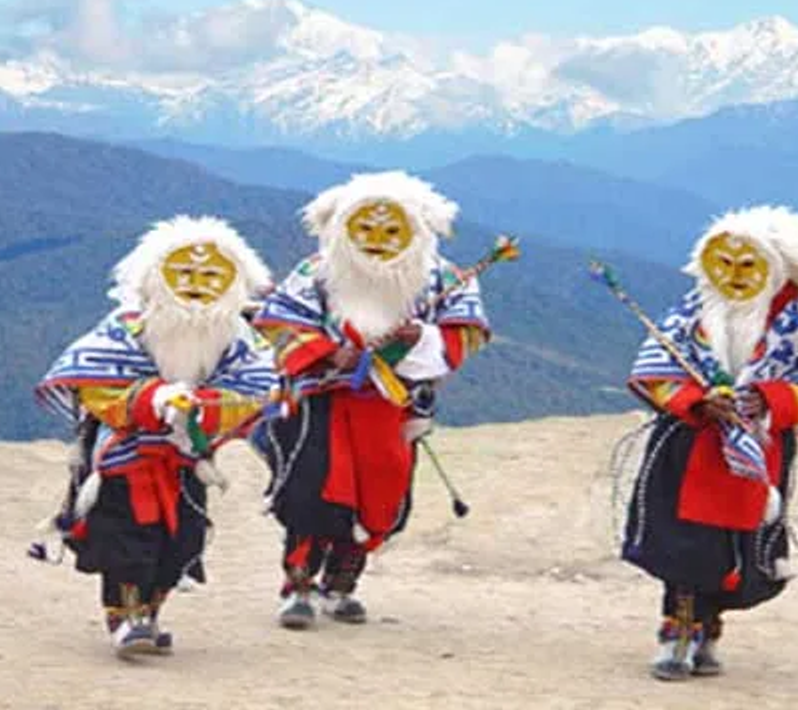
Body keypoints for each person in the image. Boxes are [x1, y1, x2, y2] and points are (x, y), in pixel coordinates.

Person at [251, 170, 491, 630]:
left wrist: (420, 338)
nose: (377, 240)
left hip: (394, 406)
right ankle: (298, 586)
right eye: (364, 228)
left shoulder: (442, 277)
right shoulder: (316, 272)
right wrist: (327, 353)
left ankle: (341, 583)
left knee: (380, 494)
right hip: (320, 401)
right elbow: (278, 323)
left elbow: (468, 331)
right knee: (311, 488)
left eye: (391, 230)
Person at [35, 215, 277, 657]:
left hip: (187, 455)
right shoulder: (125, 327)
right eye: (183, 273)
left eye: (211, 275)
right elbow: (93, 384)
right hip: (125, 452)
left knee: (181, 537)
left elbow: (256, 388)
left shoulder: (236, 338)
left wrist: (203, 407)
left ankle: (149, 613)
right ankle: (126, 618)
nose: (196, 284)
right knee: (126, 534)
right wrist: (154, 400)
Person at [621, 205, 798, 681]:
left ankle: (708, 626)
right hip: (688, 441)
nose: (734, 276)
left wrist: (766, 399)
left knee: (734, 545)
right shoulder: (693, 310)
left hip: (759, 446)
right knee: (683, 541)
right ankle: (678, 632)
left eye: (748, 265)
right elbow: (655, 370)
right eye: (724, 263)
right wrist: (695, 401)